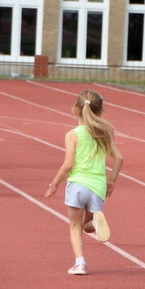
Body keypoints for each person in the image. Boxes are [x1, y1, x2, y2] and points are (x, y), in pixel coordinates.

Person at [45, 90, 124, 276]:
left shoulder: (72, 134)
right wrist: (111, 182)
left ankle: (80, 263)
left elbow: (68, 164)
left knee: (74, 227)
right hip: (98, 186)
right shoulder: (102, 135)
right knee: (86, 223)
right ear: (100, 112)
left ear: (75, 110)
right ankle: (95, 223)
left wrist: (55, 183)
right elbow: (119, 158)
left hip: (77, 185)